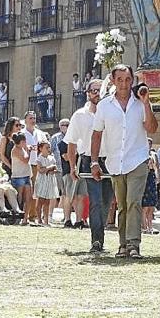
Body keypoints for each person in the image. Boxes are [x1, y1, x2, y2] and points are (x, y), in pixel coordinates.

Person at [91, 65, 158, 259]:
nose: (124, 84)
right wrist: (94, 162)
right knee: (122, 205)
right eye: (119, 79)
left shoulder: (140, 102)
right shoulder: (104, 106)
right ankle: (122, 244)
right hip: (115, 161)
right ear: (113, 81)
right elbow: (96, 135)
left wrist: (146, 103)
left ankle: (133, 244)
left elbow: (152, 128)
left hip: (138, 159)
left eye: (128, 79)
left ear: (132, 81)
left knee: (133, 202)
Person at [65, 79, 108, 249]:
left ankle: (100, 232)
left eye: (100, 90)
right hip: (89, 159)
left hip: (109, 160)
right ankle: (96, 240)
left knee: (107, 201)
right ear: (88, 93)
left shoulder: (109, 112)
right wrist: (72, 166)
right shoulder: (79, 115)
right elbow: (71, 143)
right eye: (94, 91)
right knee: (96, 200)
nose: (97, 94)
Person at [22, 111, 46, 223]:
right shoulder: (22, 133)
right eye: (30, 118)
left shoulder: (40, 133)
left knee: (38, 191)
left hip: (38, 164)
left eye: (34, 118)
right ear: (25, 120)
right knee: (29, 192)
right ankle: (28, 215)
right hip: (27, 164)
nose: (33, 120)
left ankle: (36, 215)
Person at [10, 132, 33, 226]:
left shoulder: (22, 149)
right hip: (18, 177)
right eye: (24, 141)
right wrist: (29, 151)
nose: (25, 143)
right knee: (20, 198)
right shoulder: (15, 150)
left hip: (26, 175)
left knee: (29, 198)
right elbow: (25, 160)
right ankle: (18, 217)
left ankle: (25, 218)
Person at [35, 140, 59, 226]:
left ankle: (46, 221)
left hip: (49, 181)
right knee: (40, 200)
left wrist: (53, 170)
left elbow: (55, 169)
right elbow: (40, 170)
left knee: (47, 202)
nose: (48, 149)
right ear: (40, 148)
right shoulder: (39, 158)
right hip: (42, 181)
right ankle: (39, 219)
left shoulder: (51, 158)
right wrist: (49, 168)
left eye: (49, 147)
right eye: (46, 147)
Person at [50, 119, 70, 222]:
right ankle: (51, 215)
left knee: (66, 193)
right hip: (58, 168)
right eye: (63, 125)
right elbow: (50, 151)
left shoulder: (72, 136)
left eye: (67, 124)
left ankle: (65, 215)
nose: (65, 126)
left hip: (68, 169)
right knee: (56, 192)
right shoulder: (55, 137)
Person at [142, 140, 160, 235]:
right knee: (144, 207)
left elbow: (156, 166)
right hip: (145, 179)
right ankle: (144, 227)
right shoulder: (141, 154)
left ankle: (150, 226)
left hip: (151, 179)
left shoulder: (153, 154)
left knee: (151, 207)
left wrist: (158, 177)